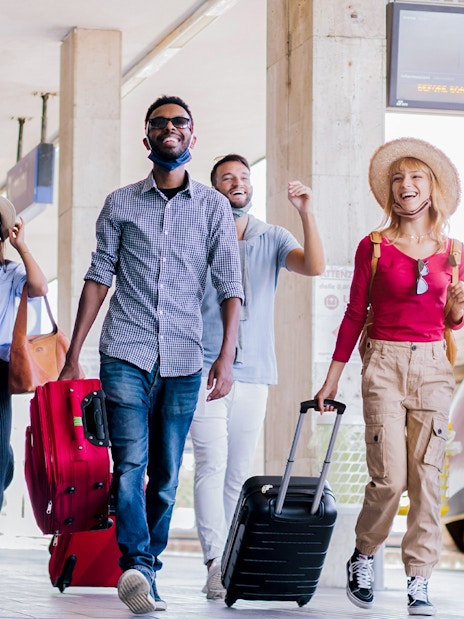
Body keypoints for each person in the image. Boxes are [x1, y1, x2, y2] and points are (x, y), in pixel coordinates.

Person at [58, 96, 243, 615]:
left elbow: (231, 285)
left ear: (192, 136)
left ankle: (149, 570)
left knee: (165, 473)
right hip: (125, 351)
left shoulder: (212, 207)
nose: (170, 129)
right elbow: (99, 279)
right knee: (129, 464)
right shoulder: (120, 203)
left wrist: (225, 357)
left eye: (179, 122)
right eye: (159, 123)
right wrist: (75, 354)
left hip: (186, 358)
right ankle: (136, 565)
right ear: (147, 140)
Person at [315, 137, 464, 617]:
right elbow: (355, 313)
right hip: (383, 363)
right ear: (391, 191)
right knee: (390, 477)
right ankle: (365, 553)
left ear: (431, 187)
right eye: (399, 178)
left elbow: (452, 320)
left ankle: (419, 579)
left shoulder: (454, 253)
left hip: (433, 368)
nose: (406, 185)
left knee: (427, 478)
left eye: (416, 176)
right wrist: (332, 378)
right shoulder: (374, 247)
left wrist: (458, 312)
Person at [189, 153, 325, 599]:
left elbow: (314, 266)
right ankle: (214, 562)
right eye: (227, 178)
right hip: (203, 367)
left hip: (255, 374)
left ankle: (231, 561)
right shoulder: (199, 233)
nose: (237, 183)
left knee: (238, 473)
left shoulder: (271, 236)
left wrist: (306, 211)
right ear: (214, 189)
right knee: (211, 464)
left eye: (244, 177)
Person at [0, 197, 48, 510]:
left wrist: (22, 247)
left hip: (0, 366)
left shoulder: (12, 272)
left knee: (0, 451)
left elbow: (40, 287)